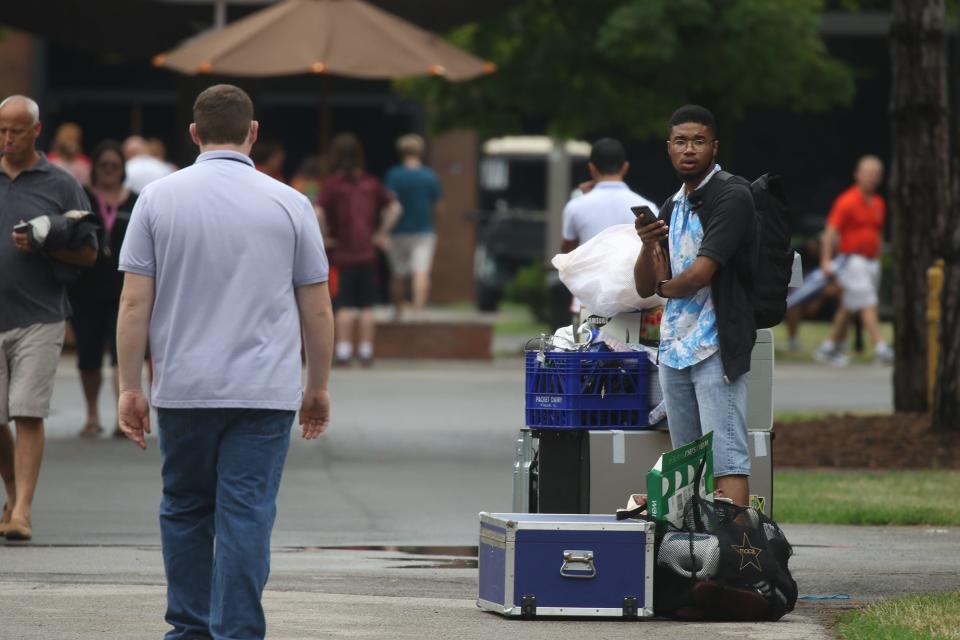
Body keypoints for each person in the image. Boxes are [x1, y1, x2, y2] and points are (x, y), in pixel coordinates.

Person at [115, 84, 334, 640]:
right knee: (247, 514)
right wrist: (318, 386)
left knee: (185, 508)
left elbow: (135, 302)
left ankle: (188, 629)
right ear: (252, 132)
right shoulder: (289, 202)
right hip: (264, 391)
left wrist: (128, 386)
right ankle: (237, 630)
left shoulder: (157, 200)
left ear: (193, 134)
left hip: (184, 387)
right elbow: (317, 306)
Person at [633, 105, 757, 507]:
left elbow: (700, 274)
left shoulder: (732, 194)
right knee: (685, 462)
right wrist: (648, 243)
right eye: (681, 142)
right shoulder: (674, 204)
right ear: (668, 148)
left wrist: (664, 287)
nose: (689, 149)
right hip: (674, 348)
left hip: (715, 346)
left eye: (698, 141)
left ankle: (735, 560)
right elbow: (643, 284)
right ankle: (694, 556)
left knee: (727, 459)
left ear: (714, 147)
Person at [0, 95, 95, 541]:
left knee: (27, 411)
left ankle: (22, 511)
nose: (7, 138)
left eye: (16, 130)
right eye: (1, 129)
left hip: (40, 314)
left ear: (37, 131)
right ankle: (13, 492)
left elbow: (90, 252)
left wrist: (46, 243)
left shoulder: (61, 183)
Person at [69, 140, 138, 438]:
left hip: (125, 292)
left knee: (122, 356)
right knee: (88, 356)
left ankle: (122, 417)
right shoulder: (83, 199)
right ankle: (92, 415)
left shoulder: (134, 200)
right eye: (104, 165)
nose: (109, 171)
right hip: (86, 290)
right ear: (95, 168)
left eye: (115, 166)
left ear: (122, 169)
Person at [317, 133, 401, 366]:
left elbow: (319, 212)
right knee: (366, 305)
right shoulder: (370, 183)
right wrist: (381, 233)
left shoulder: (332, 185)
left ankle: (343, 351)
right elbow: (395, 207)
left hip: (342, 253)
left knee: (343, 305)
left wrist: (324, 237)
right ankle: (365, 350)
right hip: (367, 253)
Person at [813, 155, 892, 366]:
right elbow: (830, 232)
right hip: (852, 260)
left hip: (871, 262)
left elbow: (878, 232)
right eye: (867, 173)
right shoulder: (847, 200)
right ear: (857, 174)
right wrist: (826, 260)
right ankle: (880, 346)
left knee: (850, 305)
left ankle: (828, 347)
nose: (871, 178)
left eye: (876, 174)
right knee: (868, 302)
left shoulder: (878, 203)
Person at [560, 137, 658, 254]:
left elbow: (567, 251)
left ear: (591, 168)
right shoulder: (648, 206)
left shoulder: (575, 206)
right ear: (625, 167)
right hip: (631, 272)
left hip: (590, 272)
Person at [384, 133, 443, 317]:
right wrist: (435, 224)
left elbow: (388, 203)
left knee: (398, 273)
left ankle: (398, 310)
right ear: (421, 152)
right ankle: (418, 311)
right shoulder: (430, 176)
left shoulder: (394, 175)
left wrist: (384, 229)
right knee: (421, 272)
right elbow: (439, 206)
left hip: (398, 231)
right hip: (424, 231)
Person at [47, 122, 91, 186]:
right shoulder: (50, 161)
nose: (70, 143)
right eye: (67, 139)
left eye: (73, 139)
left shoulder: (84, 163)